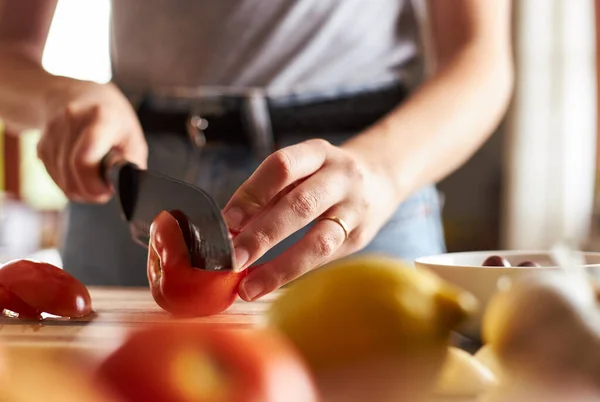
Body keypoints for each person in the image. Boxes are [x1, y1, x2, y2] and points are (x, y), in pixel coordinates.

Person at [0, 0, 513, 301]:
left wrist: (381, 170)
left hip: (354, 188)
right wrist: (57, 96)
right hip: (127, 186)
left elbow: (481, 59)